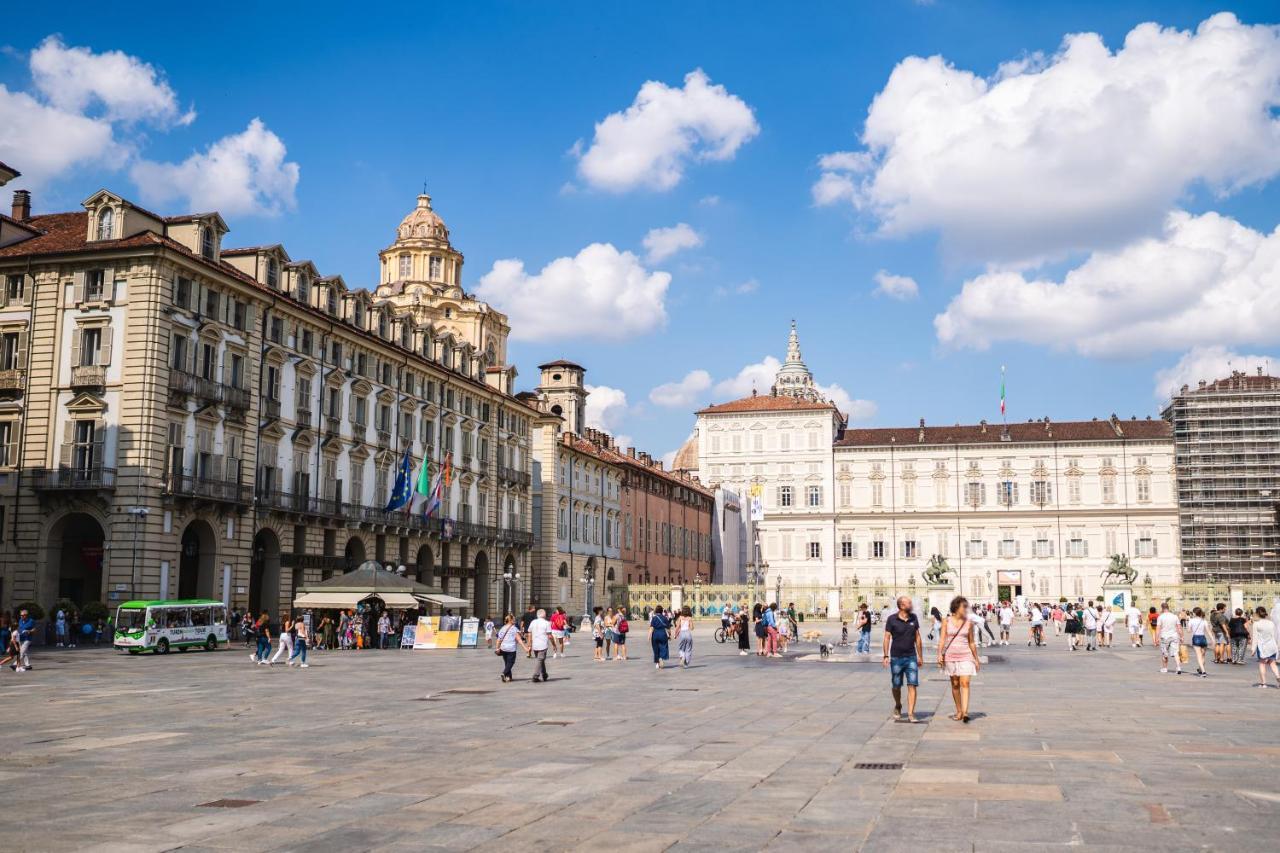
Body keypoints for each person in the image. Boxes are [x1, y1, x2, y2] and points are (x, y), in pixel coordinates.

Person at [939, 596, 980, 723]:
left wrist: (976, 658)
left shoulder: (969, 623)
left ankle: (965, 712)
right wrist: (939, 654)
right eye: (964, 607)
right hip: (950, 655)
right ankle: (959, 710)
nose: (966, 609)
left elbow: (972, 642)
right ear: (956, 607)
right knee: (955, 684)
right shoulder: (946, 621)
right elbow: (942, 639)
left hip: (966, 655)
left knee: (965, 683)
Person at [883, 595, 923, 723]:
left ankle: (911, 713)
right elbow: (887, 638)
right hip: (896, 657)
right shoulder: (891, 619)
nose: (912, 605)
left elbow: (917, 637)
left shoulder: (914, 618)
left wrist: (920, 656)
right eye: (909, 603)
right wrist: (885, 655)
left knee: (912, 684)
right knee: (896, 685)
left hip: (911, 656)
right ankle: (898, 705)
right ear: (901, 606)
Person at [1248, 606, 1279, 688]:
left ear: (1257, 614)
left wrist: (1253, 649)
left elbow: (1255, 638)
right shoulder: (1271, 623)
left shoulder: (1256, 624)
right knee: (1273, 664)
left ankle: (1263, 683)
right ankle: (1278, 676)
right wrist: (1277, 646)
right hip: (1272, 646)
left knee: (1262, 664)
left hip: (1262, 647)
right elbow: (1274, 635)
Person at [523, 608, 551, 683]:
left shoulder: (533, 622)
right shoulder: (547, 623)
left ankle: (544, 675)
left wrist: (529, 644)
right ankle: (535, 676)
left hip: (535, 644)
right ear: (544, 615)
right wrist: (554, 645)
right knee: (540, 659)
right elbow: (549, 635)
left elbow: (529, 633)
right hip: (543, 644)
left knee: (540, 659)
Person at [1156, 602, 1183, 675]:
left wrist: (1156, 638)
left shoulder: (1160, 617)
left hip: (1164, 637)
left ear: (1162, 608)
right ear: (1168, 607)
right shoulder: (1175, 616)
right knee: (1175, 652)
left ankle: (1165, 668)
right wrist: (1181, 636)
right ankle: (1178, 667)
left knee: (1165, 653)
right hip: (1174, 636)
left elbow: (1158, 628)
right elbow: (1179, 627)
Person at [1186, 607, 1210, 677]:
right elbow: (1208, 631)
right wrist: (1212, 639)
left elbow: (1188, 631)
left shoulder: (1191, 620)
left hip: (1196, 637)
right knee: (1203, 656)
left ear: (1194, 613)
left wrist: (1190, 627)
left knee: (1199, 656)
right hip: (1203, 638)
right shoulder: (1204, 621)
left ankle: (1203, 671)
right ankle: (1200, 669)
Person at [496, 614, 520, 682]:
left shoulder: (502, 628)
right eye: (514, 619)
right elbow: (519, 639)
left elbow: (498, 639)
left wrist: (497, 648)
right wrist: (526, 648)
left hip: (503, 648)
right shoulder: (514, 628)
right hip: (511, 648)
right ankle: (504, 673)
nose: (515, 620)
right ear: (510, 620)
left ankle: (509, 677)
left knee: (507, 663)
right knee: (511, 662)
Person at [649, 605, 672, 669]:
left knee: (655, 648)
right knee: (663, 646)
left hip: (655, 634)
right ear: (662, 611)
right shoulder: (664, 618)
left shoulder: (654, 618)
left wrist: (649, 636)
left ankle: (657, 663)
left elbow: (651, 628)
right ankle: (661, 657)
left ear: (656, 610)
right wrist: (669, 635)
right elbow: (668, 628)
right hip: (663, 634)